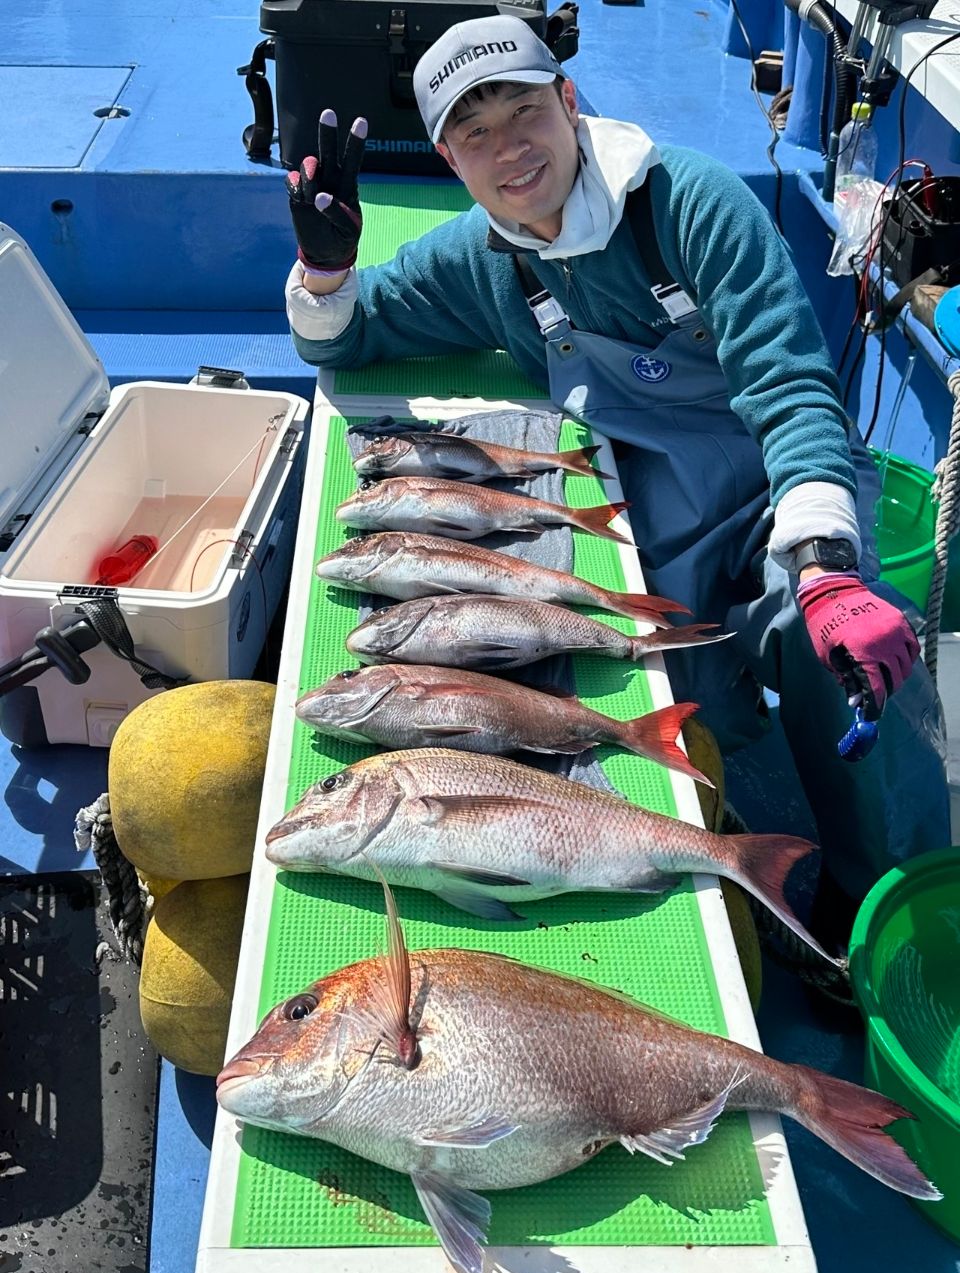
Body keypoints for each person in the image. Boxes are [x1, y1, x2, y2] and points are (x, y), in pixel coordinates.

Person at [282, 15, 949, 942]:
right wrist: (325, 270)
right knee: (673, 715)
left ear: (568, 102)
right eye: (474, 134)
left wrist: (827, 563)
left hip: (774, 494)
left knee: (831, 637)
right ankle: (751, 853)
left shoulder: (692, 203)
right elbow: (355, 333)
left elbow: (791, 387)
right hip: (654, 520)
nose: (509, 150)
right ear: (448, 157)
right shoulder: (480, 261)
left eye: (524, 111)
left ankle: (905, 907)